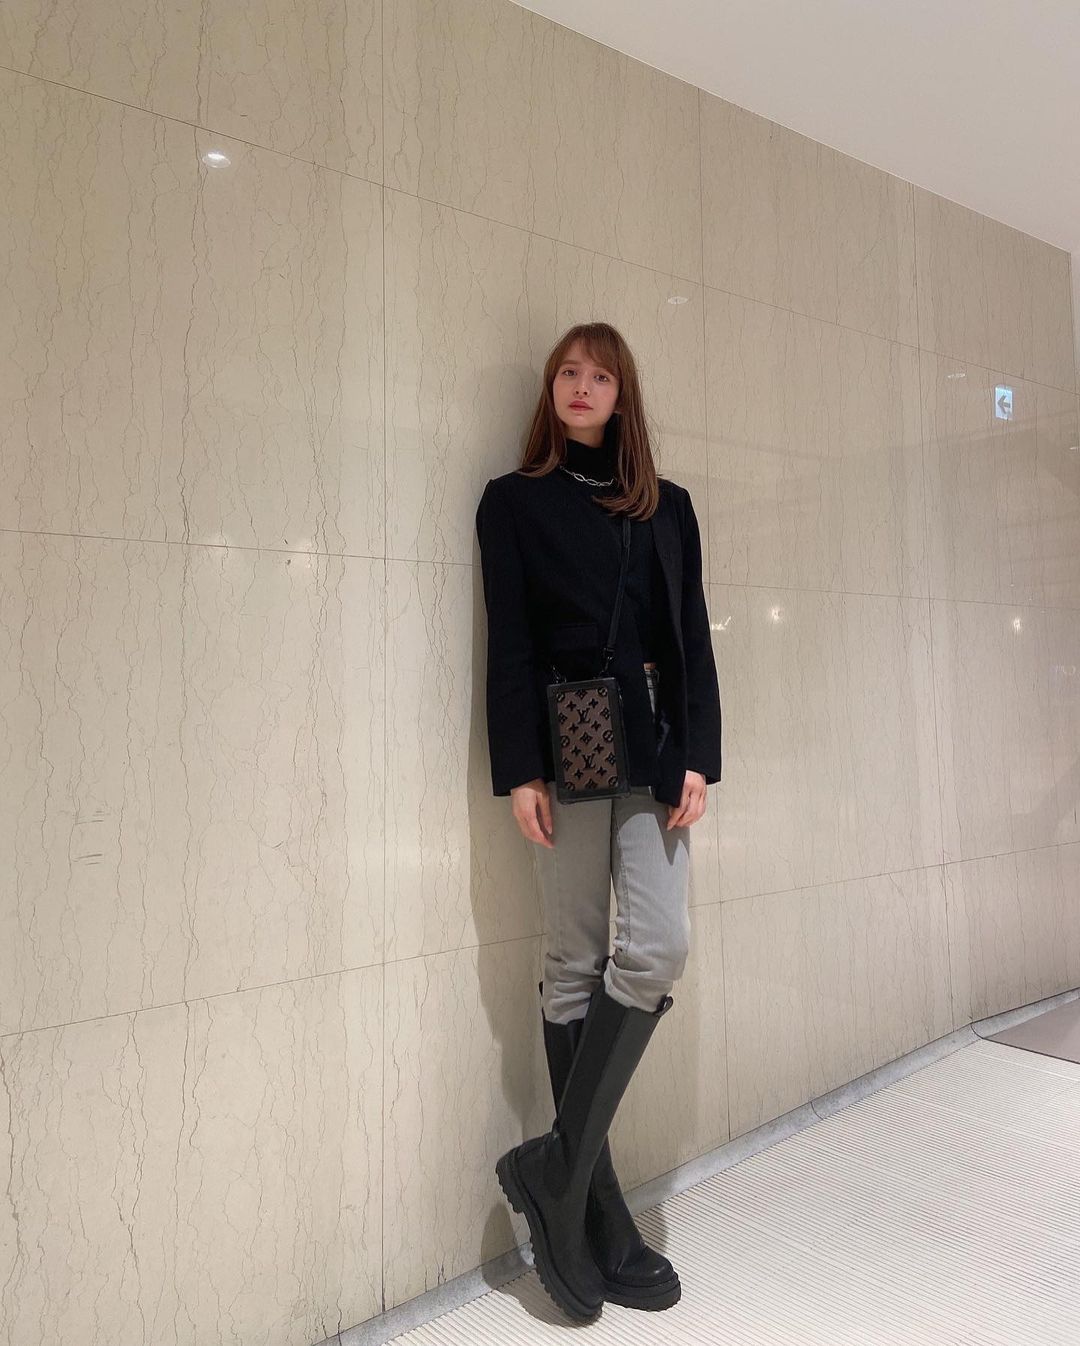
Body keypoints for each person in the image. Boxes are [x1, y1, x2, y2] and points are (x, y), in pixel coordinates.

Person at [474, 322, 722, 1324]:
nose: (582, 387)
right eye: (568, 373)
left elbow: (690, 636)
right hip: (565, 741)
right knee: (573, 956)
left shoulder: (668, 506)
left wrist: (697, 753)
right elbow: (510, 640)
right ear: (552, 389)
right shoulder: (512, 501)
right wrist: (519, 770)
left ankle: (557, 1168)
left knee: (657, 945)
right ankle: (597, 1206)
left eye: (601, 375)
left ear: (623, 396)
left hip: (653, 747)